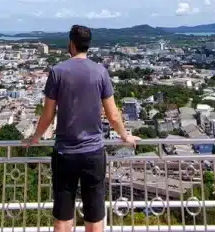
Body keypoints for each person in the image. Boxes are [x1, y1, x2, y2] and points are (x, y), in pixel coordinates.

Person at [23, 25, 137, 232]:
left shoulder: (58, 71)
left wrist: (36, 137)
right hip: (93, 153)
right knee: (94, 217)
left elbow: (48, 114)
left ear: (71, 44)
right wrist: (125, 136)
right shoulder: (100, 71)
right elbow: (112, 115)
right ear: (88, 45)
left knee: (63, 217)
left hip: (64, 153)